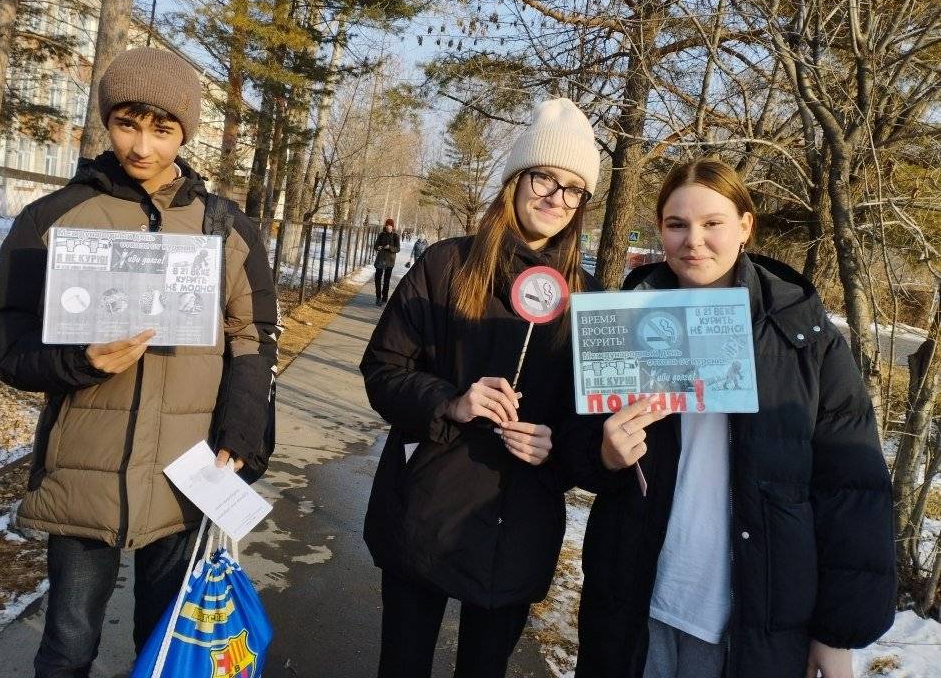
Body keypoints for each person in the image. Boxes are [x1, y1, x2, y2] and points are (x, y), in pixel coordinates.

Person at [0, 46, 281, 678]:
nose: (142, 146)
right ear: (108, 121)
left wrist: (243, 435)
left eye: (162, 129)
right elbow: (4, 332)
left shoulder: (224, 229)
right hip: (85, 475)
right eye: (126, 124)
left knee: (166, 645)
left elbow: (253, 337)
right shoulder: (55, 218)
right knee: (67, 647)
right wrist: (76, 360)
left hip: (184, 475)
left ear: (185, 132)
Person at [569, 158, 896, 678]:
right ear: (660, 230)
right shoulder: (625, 319)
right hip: (636, 601)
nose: (693, 241)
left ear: (746, 226)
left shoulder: (804, 338)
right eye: (676, 224)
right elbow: (580, 447)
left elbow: (851, 490)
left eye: (712, 223)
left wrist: (836, 633)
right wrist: (603, 454)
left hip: (750, 618)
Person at [360, 98, 600, 678]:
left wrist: (557, 447)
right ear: (516, 179)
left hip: (516, 525)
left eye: (574, 189)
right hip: (426, 512)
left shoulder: (587, 298)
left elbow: (589, 424)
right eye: (545, 177)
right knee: (404, 664)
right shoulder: (446, 267)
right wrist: (450, 402)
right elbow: (383, 369)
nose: (556, 198)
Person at [373, 217, 401, 305]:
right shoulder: (381, 235)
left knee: (386, 280)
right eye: (387, 225)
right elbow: (375, 246)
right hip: (380, 259)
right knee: (377, 278)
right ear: (385, 226)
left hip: (390, 260)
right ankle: (378, 297)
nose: (388, 227)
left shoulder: (395, 236)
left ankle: (384, 298)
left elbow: (398, 249)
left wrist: (390, 247)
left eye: (390, 225)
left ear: (392, 227)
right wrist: (378, 247)